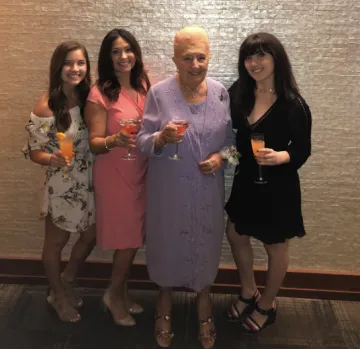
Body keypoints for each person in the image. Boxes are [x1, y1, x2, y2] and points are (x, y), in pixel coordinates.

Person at [137, 26, 235, 349]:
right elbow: (141, 142)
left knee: (206, 247)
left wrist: (221, 159)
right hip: (168, 192)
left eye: (201, 56)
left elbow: (232, 145)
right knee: (166, 246)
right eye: (187, 57)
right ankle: (163, 307)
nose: (195, 64)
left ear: (210, 57)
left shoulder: (221, 93)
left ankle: (204, 307)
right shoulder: (159, 94)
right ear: (176, 60)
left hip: (207, 192)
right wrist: (162, 138)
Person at [224, 32, 312, 333]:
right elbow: (229, 131)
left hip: (278, 186)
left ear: (277, 59)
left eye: (262, 55)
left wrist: (282, 157)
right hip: (246, 180)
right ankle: (249, 290)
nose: (254, 62)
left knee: (276, 246)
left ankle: (267, 304)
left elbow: (302, 148)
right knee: (235, 232)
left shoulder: (292, 103)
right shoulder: (239, 92)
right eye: (249, 56)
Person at [23, 41, 96, 322]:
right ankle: (56, 295)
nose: (75, 69)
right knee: (57, 241)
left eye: (80, 63)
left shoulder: (88, 96)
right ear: (58, 67)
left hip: (89, 179)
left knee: (92, 234)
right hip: (62, 183)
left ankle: (67, 278)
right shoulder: (46, 106)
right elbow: (34, 151)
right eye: (68, 63)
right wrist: (49, 159)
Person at [85, 28, 150, 327]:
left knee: (134, 236)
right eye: (115, 51)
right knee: (127, 239)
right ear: (107, 58)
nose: (123, 56)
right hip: (114, 172)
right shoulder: (99, 93)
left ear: (135, 53)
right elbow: (95, 143)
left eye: (127, 49)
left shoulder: (144, 85)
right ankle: (112, 294)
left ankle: (122, 293)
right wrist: (115, 140)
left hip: (141, 169)